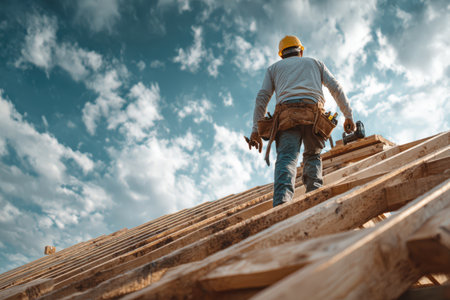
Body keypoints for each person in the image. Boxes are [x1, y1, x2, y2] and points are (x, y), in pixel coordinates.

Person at [248, 35, 355, 207]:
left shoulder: (274, 69)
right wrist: (348, 115)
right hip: (313, 117)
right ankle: (315, 200)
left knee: (287, 159)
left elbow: (262, 98)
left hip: (286, 117)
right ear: (301, 51)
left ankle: (281, 206)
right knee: (313, 156)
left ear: (281, 55)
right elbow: (335, 87)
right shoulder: (315, 63)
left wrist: (255, 130)